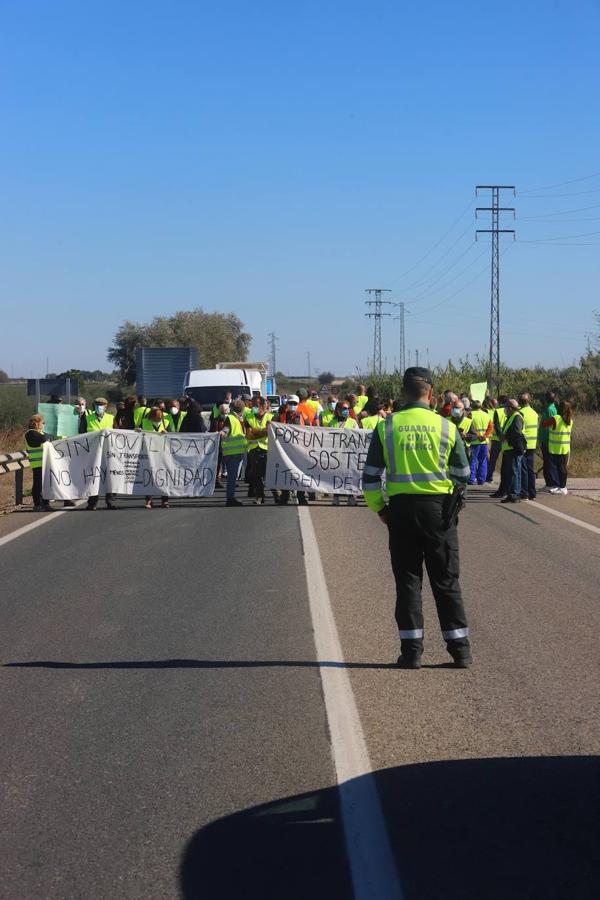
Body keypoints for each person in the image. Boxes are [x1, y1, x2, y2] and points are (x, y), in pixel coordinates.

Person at [362, 367, 472, 669]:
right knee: (446, 580)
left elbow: (370, 479)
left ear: (402, 393)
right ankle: (460, 651)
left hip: (400, 511)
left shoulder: (387, 427)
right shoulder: (446, 426)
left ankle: (411, 653)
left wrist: (380, 509)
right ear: (432, 394)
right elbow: (463, 474)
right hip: (439, 511)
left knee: (408, 582)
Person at [277, 395, 311, 505]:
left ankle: (301, 497)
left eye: (295, 404)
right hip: (284, 450)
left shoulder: (303, 417)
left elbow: (309, 430)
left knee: (300, 473)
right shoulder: (280, 417)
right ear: (287, 404)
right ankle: (285, 496)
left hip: (299, 450)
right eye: (290, 403)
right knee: (285, 473)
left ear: (298, 405)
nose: (292, 405)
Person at [85, 398, 116, 510]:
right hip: (93, 453)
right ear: (94, 405)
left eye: (102, 405)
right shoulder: (87, 418)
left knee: (110, 477)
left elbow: (119, 433)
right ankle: (92, 503)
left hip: (108, 452)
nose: (100, 407)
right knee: (94, 477)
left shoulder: (111, 418)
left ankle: (110, 502)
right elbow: (81, 434)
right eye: (98, 404)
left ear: (106, 406)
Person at [493, 399, 525, 504]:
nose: (505, 410)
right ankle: (513, 493)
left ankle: (514, 494)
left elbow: (516, 432)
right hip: (509, 448)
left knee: (514, 472)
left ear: (510, 408)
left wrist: (505, 437)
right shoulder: (512, 417)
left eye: (506, 408)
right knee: (512, 472)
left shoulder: (517, 417)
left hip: (513, 448)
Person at [219, 399, 248, 507]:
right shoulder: (231, 419)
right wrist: (222, 433)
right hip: (232, 453)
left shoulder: (236, 418)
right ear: (242, 409)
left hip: (235, 453)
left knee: (233, 477)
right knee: (232, 477)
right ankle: (230, 498)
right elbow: (226, 430)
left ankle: (231, 497)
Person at [140, 408, 170, 508]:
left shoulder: (166, 422)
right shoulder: (144, 422)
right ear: (151, 417)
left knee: (163, 476)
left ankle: (164, 500)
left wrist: (167, 433)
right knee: (148, 476)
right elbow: (137, 433)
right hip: (149, 454)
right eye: (155, 419)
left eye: (159, 419)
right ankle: (148, 500)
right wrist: (138, 431)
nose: (157, 421)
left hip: (163, 454)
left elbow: (174, 435)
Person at [542, 400, 573, 495]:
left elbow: (544, 424)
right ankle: (561, 486)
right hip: (564, 447)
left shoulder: (556, 418)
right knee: (561, 467)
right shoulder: (569, 420)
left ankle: (563, 487)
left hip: (556, 447)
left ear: (560, 408)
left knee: (560, 467)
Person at [246, 397, 273, 504]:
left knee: (269, 474)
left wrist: (255, 431)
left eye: (255, 405)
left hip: (267, 450)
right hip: (253, 450)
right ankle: (259, 497)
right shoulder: (249, 417)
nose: (253, 407)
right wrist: (261, 432)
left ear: (262, 406)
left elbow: (268, 432)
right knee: (256, 476)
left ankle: (277, 494)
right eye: (252, 405)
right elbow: (248, 435)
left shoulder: (270, 417)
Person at [24, 414, 53, 511]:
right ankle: (38, 504)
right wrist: (47, 437)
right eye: (43, 423)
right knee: (38, 485)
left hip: (45, 463)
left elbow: (49, 437)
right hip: (37, 464)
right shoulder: (30, 433)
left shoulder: (40, 433)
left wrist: (48, 436)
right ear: (37, 423)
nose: (44, 425)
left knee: (46, 485)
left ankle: (45, 503)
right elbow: (43, 439)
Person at [332, 400, 359, 507]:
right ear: (338, 410)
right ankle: (336, 498)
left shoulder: (353, 422)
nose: (346, 411)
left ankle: (351, 497)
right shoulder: (332, 422)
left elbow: (358, 437)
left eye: (347, 409)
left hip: (349, 454)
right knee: (336, 475)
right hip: (336, 454)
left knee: (349, 475)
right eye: (343, 409)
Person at [518, 393, 539, 500]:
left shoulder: (520, 412)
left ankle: (524, 492)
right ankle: (532, 492)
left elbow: (519, 430)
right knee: (530, 469)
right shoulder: (534, 413)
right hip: (532, 444)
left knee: (523, 469)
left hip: (524, 444)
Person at [539, 391, 559, 490]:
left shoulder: (549, 409)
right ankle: (549, 483)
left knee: (549, 462)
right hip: (547, 439)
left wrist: (544, 438)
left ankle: (552, 483)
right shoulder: (551, 408)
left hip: (547, 440)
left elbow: (549, 426)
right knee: (547, 462)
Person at [468, 401, 492, 485]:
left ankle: (471, 479)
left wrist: (478, 435)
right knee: (483, 460)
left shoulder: (470, 414)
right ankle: (481, 480)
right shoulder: (487, 415)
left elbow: (471, 427)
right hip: (484, 442)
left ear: (472, 406)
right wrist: (485, 436)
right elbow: (490, 428)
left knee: (473, 460)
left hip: (475, 441)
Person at [486, 397, 506, 484]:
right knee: (506, 460)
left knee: (493, 460)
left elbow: (495, 425)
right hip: (506, 439)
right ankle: (505, 478)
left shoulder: (497, 411)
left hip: (496, 439)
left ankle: (489, 477)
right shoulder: (510, 411)